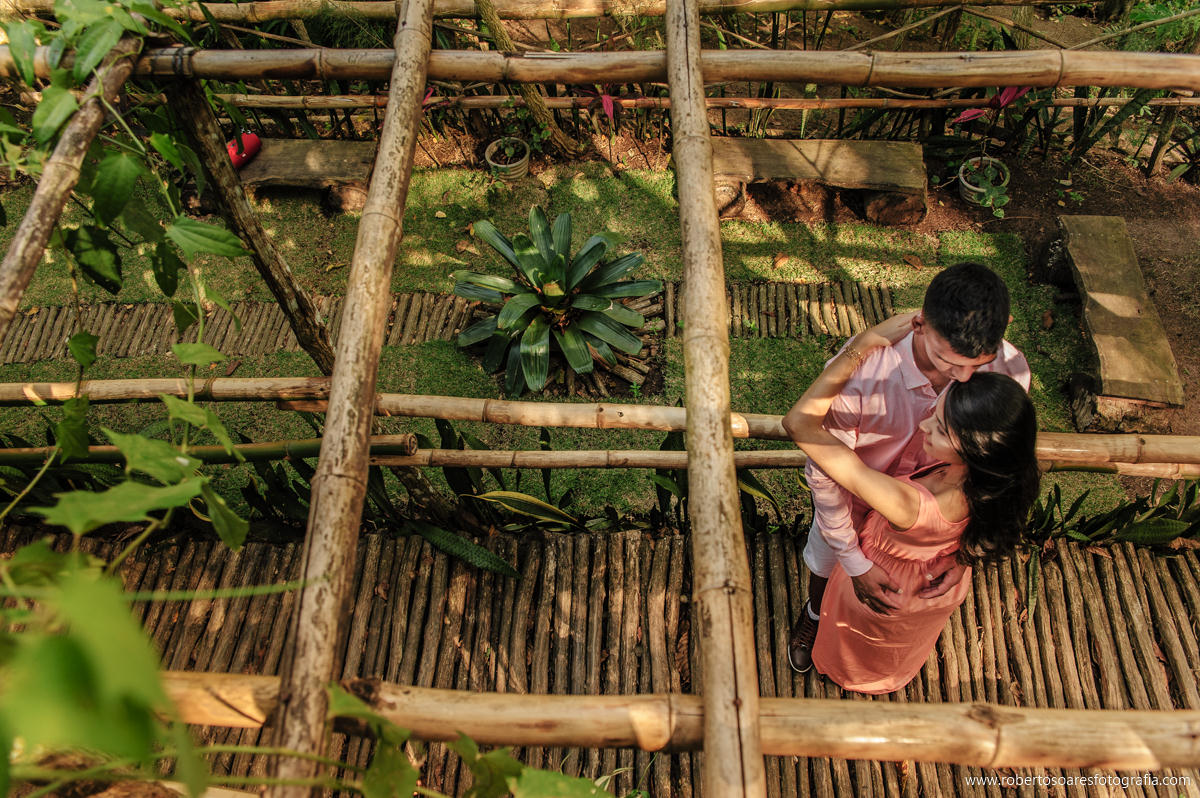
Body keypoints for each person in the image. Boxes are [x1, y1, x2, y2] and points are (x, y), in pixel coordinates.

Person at [786, 262, 1031, 674]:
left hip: (944, 516)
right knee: (825, 559)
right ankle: (813, 614)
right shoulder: (861, 372)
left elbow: (1001, 461)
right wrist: (855, 560)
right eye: (947, 360)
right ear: (919, 324)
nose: (964, 377)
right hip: (854, 500)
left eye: (977, 363)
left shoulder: (1011, 370)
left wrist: (966, 555)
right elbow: (825, 474)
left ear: (1003, 327)